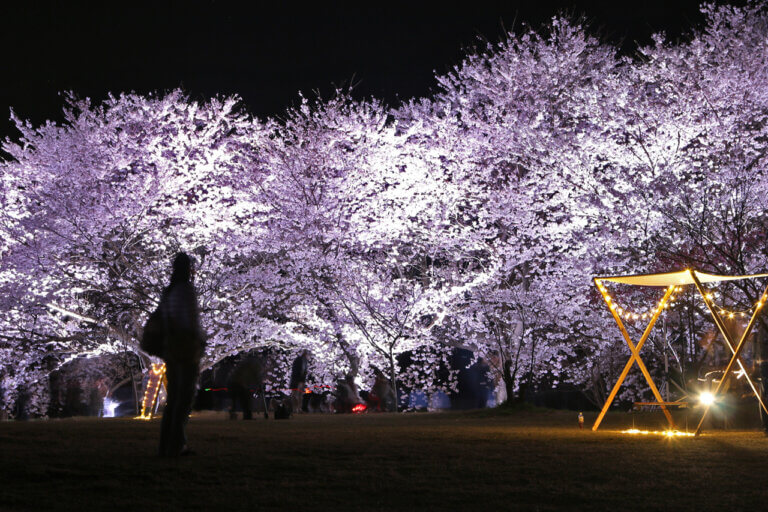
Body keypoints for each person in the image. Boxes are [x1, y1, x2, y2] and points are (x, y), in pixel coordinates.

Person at [158, 252, 205, 457]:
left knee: (174, 398)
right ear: (188, 269)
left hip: (170, 348)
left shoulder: (168, 291)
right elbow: (191, 320)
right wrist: (199, 342)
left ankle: (166, 445)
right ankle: (177, 445)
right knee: (184, 398)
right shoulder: (186, 290)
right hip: (185, 347)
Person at [289, 350, 309, 414]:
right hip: (297, 380)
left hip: (301, 380)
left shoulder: (305, 361)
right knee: (295, 395)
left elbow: (304, 371)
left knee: (300, 395)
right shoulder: (298, 360)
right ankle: (295, 408)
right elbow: (296, 370)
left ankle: (299, 408)